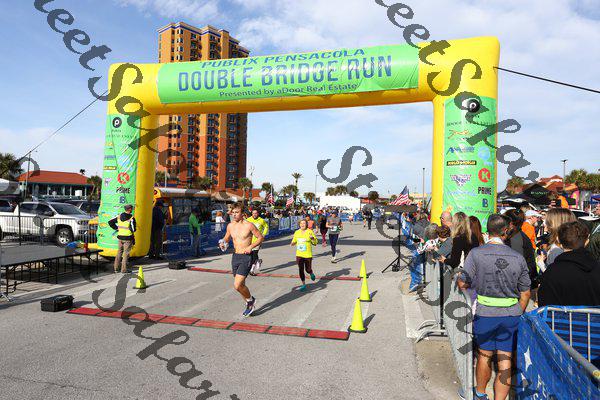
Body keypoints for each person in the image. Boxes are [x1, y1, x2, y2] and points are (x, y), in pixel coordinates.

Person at [458, 214, 531, 400]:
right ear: (505, 231)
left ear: (488, 231)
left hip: (485, 313)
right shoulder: (518, 257)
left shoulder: (476, 254)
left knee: (484, 356)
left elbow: (462, 282)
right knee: (505, 360)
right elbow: (526, 293)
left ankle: (480, 394)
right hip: (511, 314)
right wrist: (517, 312)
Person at [538, 221, 600, 306]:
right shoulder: (596, 268)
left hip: (560, 314)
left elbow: (545, 305)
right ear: (587, 241)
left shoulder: (552, 272)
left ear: (558, 240)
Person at [219, 203, 264, 317]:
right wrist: (223, 242)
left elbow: (260, 237)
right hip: (235, 256)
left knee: (237, 285)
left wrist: (250, 247)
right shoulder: (230, 226)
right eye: (233, 212)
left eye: (237, 212)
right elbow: (226, 238)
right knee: (241, 285)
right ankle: (249, 304)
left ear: (242, 213)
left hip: (246, 256)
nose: (234, 214)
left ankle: (250, 301)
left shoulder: (249, 225)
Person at [291, 219, 318, 291]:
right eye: (301, 223)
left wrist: (312, 238)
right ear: (299, 224)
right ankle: (303, 284)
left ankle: (311, 273)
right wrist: (292, 243)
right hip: (299, 254)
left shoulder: (310, 231)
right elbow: (294, 241)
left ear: (306, 224)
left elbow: (315, 243)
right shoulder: (297, 232)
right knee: (301, 269)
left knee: (307, 269)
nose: (302, 224)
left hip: (307, 254)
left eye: (304, 223)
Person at [108, 204, 137, 273]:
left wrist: (117, 228)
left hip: (120, 237)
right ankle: (124, 269)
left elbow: (110, 222)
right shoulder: (131, 218)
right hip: (128, 238)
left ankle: (116, 268)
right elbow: (133, 229)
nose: (132, 209)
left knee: (119, 252)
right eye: (132, 208)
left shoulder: (119, 217)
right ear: (129, 209)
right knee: (126, 254)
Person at [246, 208, 269, 273]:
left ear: (258, 214)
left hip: (257, 240)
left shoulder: (261, 220)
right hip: (249, 240)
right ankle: (258, 260)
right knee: (250, 254)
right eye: (253, 213)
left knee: (254, 254)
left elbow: (266, 227)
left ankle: (252, 270)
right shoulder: (248, 220)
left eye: (256, 213)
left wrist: (263, 234)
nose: (254, 214)